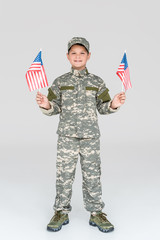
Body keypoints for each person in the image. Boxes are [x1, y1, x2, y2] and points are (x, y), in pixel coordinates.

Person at [36, 37, 126, 233]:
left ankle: (96, 213)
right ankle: (60, 211)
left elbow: (103, 108)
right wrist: (46, 105)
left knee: (93, 176)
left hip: (90, 138)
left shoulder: (97, 81)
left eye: (82, 53)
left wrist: (113, 104)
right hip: (67, 137)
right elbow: (54, 108)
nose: (78, 56)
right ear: (67, 56)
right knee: (64, 175)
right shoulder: (60, 82)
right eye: (74, 53)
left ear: (89, 56)